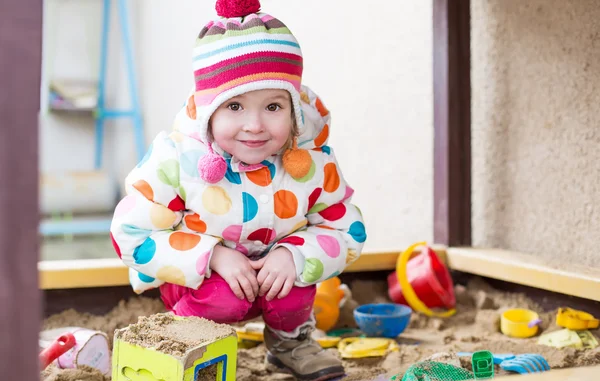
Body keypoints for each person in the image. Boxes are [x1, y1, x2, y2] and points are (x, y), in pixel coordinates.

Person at [110, 1, 366, 379]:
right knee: (224, 297)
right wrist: (211, 256)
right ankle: (183, 342)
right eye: (234, 105)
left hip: (270, 280)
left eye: (273, 106)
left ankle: (288, 344)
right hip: (200, 287)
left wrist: (294, 254)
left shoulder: (310, 162)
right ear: (207, 110)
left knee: (295, 281)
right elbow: (130, 232)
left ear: (294, 109)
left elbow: (347, 229)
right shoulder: (178, 159)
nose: (255, 125)